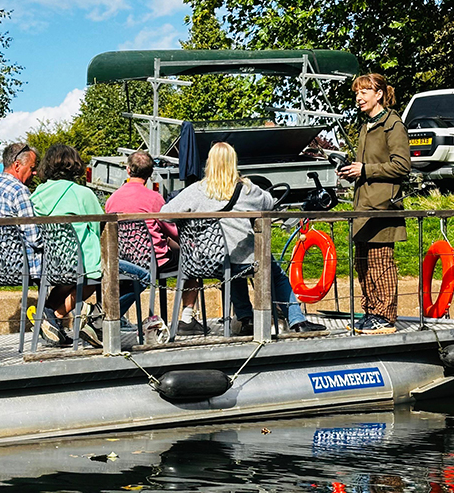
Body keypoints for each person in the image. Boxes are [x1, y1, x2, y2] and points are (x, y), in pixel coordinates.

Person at [162, 142, 326, 335]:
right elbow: (270, 203)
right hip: (245, 259)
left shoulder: (196, 190)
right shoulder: (248, 189)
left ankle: (246, 318)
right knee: (277, 275)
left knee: (230, 270)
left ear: (209, 163)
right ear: (233, 163)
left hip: (208, 261)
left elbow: (165, 214)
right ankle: (297, 321)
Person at [30, 144, 149, 347]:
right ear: (73, 165)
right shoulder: (81, 193)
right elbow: (100, 228)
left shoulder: (38, 194)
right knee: (142, 276)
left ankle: (50, 316)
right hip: (86, 261)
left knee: (86, 282)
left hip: (57, 262)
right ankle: (96, 320)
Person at [338, 73, 411, 334]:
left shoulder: (393, 124)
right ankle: (370, 312)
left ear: (379, 94)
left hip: (383, 207)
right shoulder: (366, 126)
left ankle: (384, 316)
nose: (358, 98)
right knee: (362, 263)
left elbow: (402, 166)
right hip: (363, 207)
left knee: (381, 262)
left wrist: (366, 170)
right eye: (356, 93)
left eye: (364, 92)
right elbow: (366, 167)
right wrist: (351, 171)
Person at [105, 150, 203, 336]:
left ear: (128, 170)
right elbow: (172, 231)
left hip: (125, 259)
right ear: (150, 174)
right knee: (192, 259)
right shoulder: (155, 198)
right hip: (155, 261)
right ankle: (187, 318)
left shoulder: (112, 200)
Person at [0, 142, 42, 279]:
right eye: (32, 168)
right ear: (17, 165)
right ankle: (54, 301)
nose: (35, 172)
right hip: (22, 266)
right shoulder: (19, 191)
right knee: (67, 266)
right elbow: (34, 239)